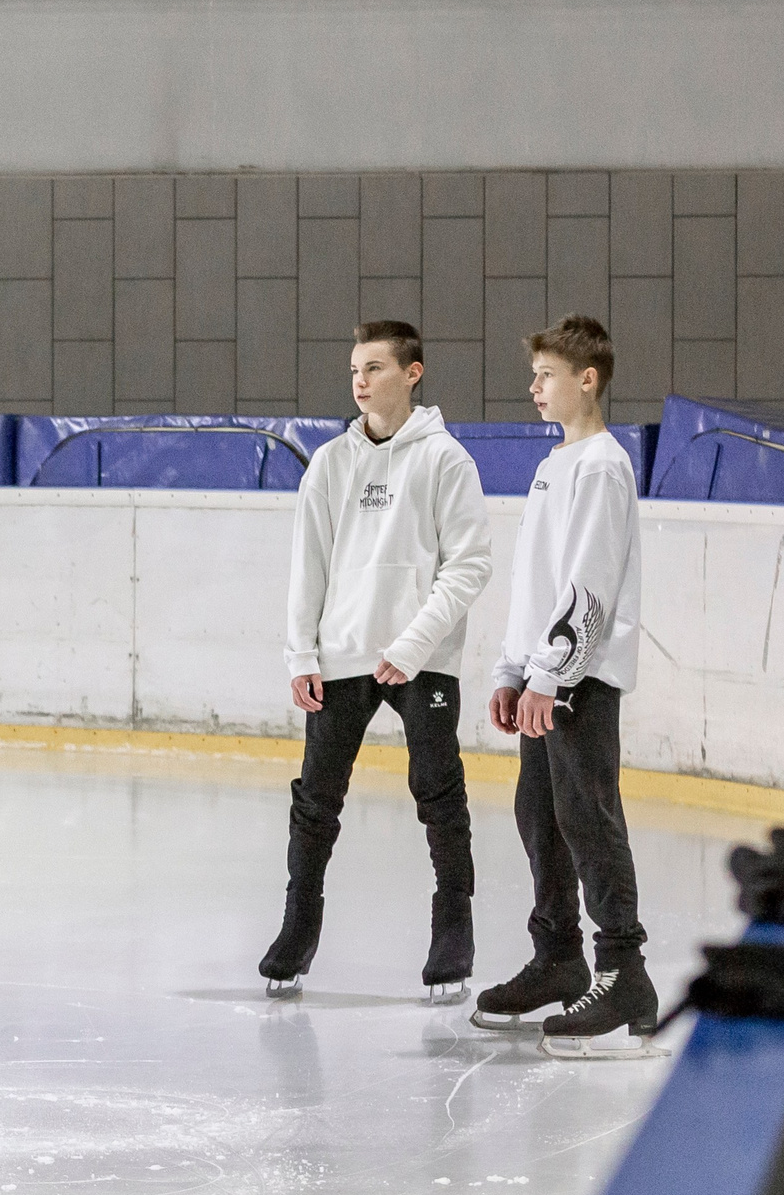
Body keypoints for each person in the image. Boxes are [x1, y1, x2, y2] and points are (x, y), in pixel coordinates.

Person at [260, 320, 493, 1002]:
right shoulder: (331, 463)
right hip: (340, 655)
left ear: (412, 373)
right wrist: (301, 652)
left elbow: (471, 563)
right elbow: (309, 567)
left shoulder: (446, 459)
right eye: (355, 369)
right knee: (315, 803)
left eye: (375, 368)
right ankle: (296, 931)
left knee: (439, 793)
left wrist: (414, 643)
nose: (359, 381)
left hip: (423, 659)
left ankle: (454, 930)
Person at [474, 316, 658, 1057]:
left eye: (546, 375)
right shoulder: (557, 464)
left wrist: (551, 674)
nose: (534, 388)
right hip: (544, 680)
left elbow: (588, 587)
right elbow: (535, 583)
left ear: (588, 378)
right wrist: (513, 669)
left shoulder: (603, 466)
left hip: (578, 682)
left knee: (588, 818)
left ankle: (624, 969)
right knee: (540, 815)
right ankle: (558, 957)